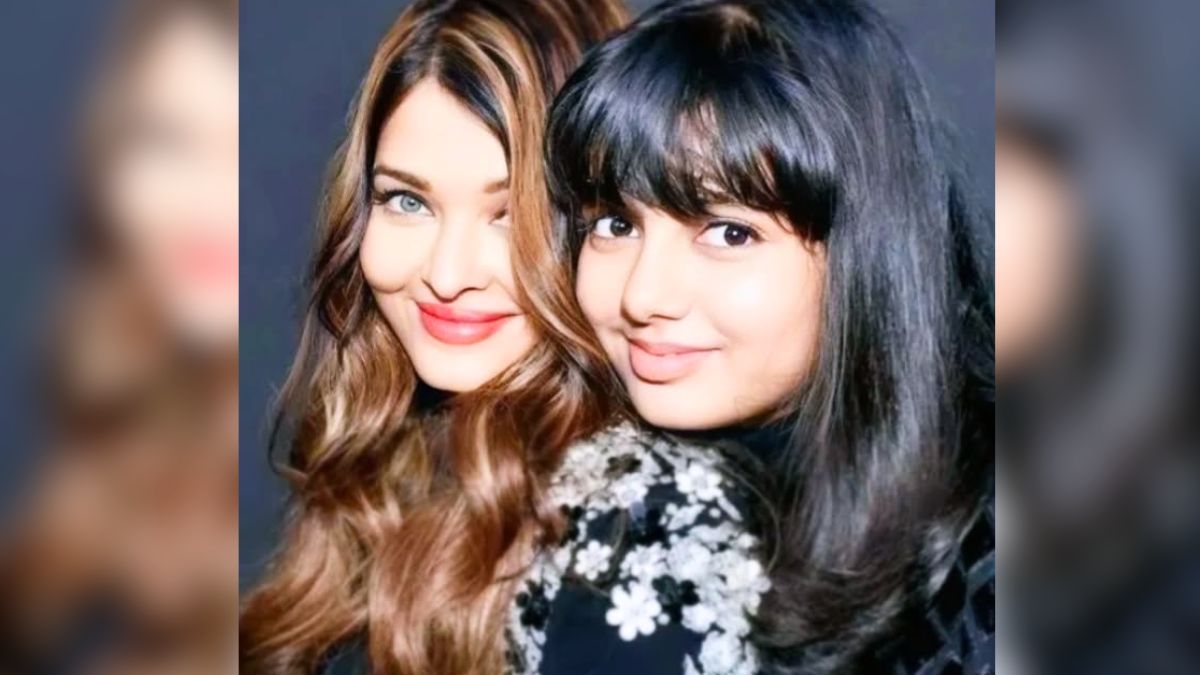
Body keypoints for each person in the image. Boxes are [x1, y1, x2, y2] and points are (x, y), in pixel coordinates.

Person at [538, 0, 995, 672]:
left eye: (729, 233)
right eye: (615, 224)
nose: (642, 295)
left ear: (864, 249)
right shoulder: (615, 508)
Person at [238, 1, 631, 673]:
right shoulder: (382, 465)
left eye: (510, 215)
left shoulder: (630, 535)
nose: (446, 276)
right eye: (408, 201)